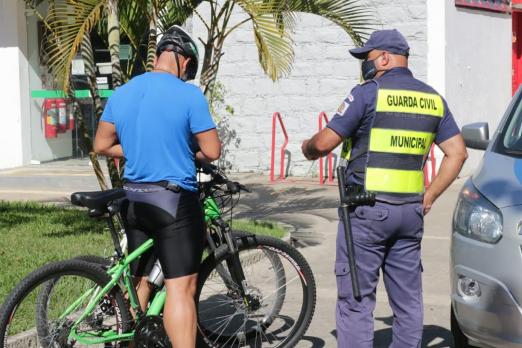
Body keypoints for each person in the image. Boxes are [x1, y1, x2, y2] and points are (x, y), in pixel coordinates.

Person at [301, 29, 468, 348]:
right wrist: (428, 196)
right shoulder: (433, 99)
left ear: (385, 58)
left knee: (356, 301)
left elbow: (325, 142)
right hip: (410, 213)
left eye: (367, 58)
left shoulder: (367, 93)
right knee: (408, 304)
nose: (365, 64)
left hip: (366, 212)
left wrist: (307, 147)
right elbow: (458, 153)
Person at [93, 25, 221, 348]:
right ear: (183, 61)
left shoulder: (123, 93)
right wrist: (182, 149)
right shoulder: (189, 94)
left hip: (134, 200)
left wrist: (136, 149)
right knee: (181, 289)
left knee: (141, 283)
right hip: (172, 202)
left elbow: (102, 144)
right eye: (188, 68)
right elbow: (212, 150)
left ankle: (132, 341)